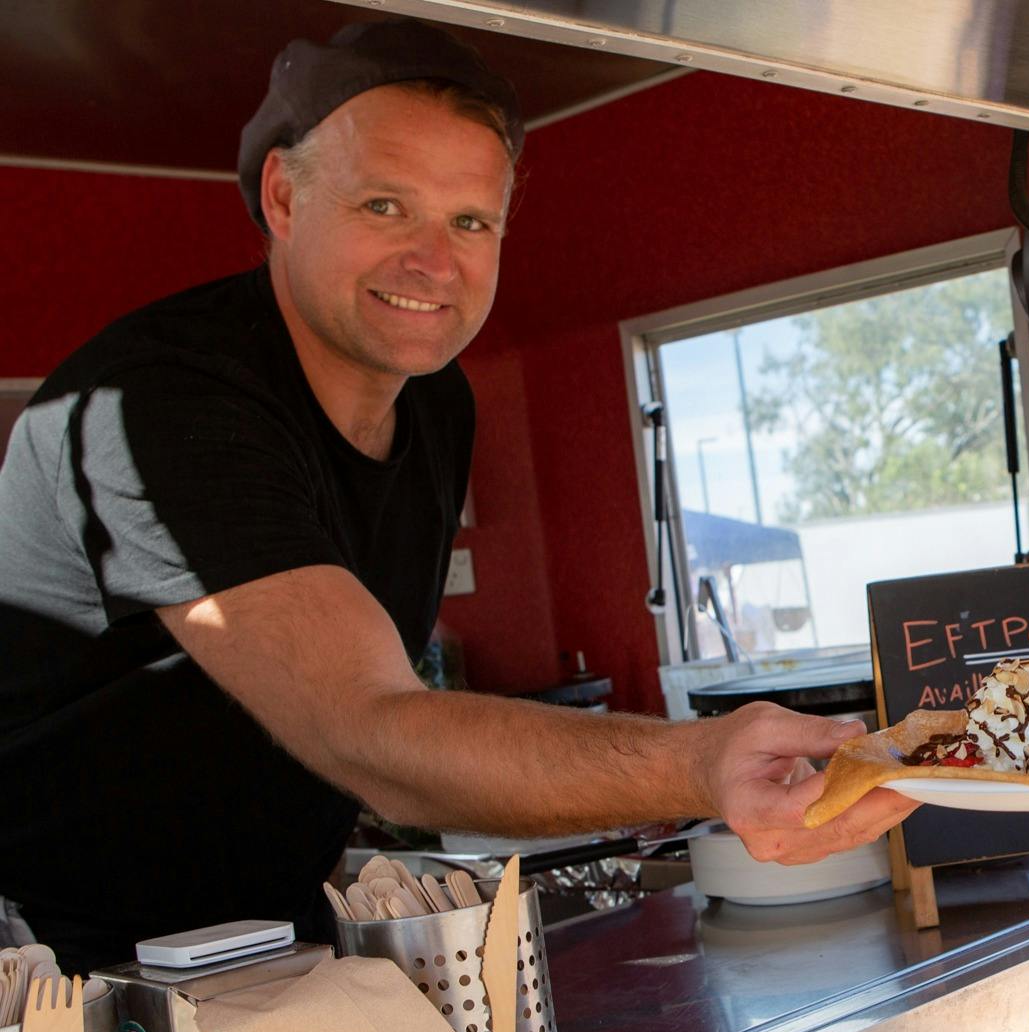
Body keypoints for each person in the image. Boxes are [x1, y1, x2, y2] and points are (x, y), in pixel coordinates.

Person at [0, 20, 911, 973]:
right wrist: (698, 761)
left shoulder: (436, 404)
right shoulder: (161, 401)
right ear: (282, 195)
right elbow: (368, 727)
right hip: (46, 970)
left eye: (471, 221)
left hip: (263, 937)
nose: (434, 262)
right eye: (386, 205)